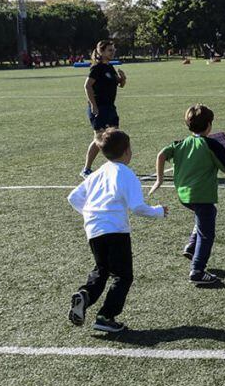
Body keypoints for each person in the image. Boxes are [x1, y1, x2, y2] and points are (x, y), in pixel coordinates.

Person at [68, 129, 166, 333]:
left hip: (93, 229)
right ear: (127, 151)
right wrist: (158, 211)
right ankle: (106, 316)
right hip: (115, 230)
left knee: (102, 270)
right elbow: (137, 207)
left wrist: (90, 214)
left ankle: (85, 295)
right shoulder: (126, 174)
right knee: (123, 276)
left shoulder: (98, 172)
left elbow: (73, 198)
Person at [150, 104, 225, 287]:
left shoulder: (180, 143)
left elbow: (161, 154)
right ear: (210, 124)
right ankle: (197, 270)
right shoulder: (212, 144)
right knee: (207, 233)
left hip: (184, 195)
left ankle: (191, 247)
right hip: (202, 195)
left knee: (205, 216)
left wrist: (159, 179)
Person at [81, 40, 127, 178]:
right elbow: (87, 86)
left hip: (110, 108)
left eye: (113, 50)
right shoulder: (97, 68)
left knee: (114, 138)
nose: (112, 52)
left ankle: (114, 167)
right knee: (99, 138)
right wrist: (93, 105)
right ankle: (86, 169)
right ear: (101, 52)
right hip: (98, 108)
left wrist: (123, 79)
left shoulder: (110, 68)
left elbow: (120, 84)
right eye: (109, 50)